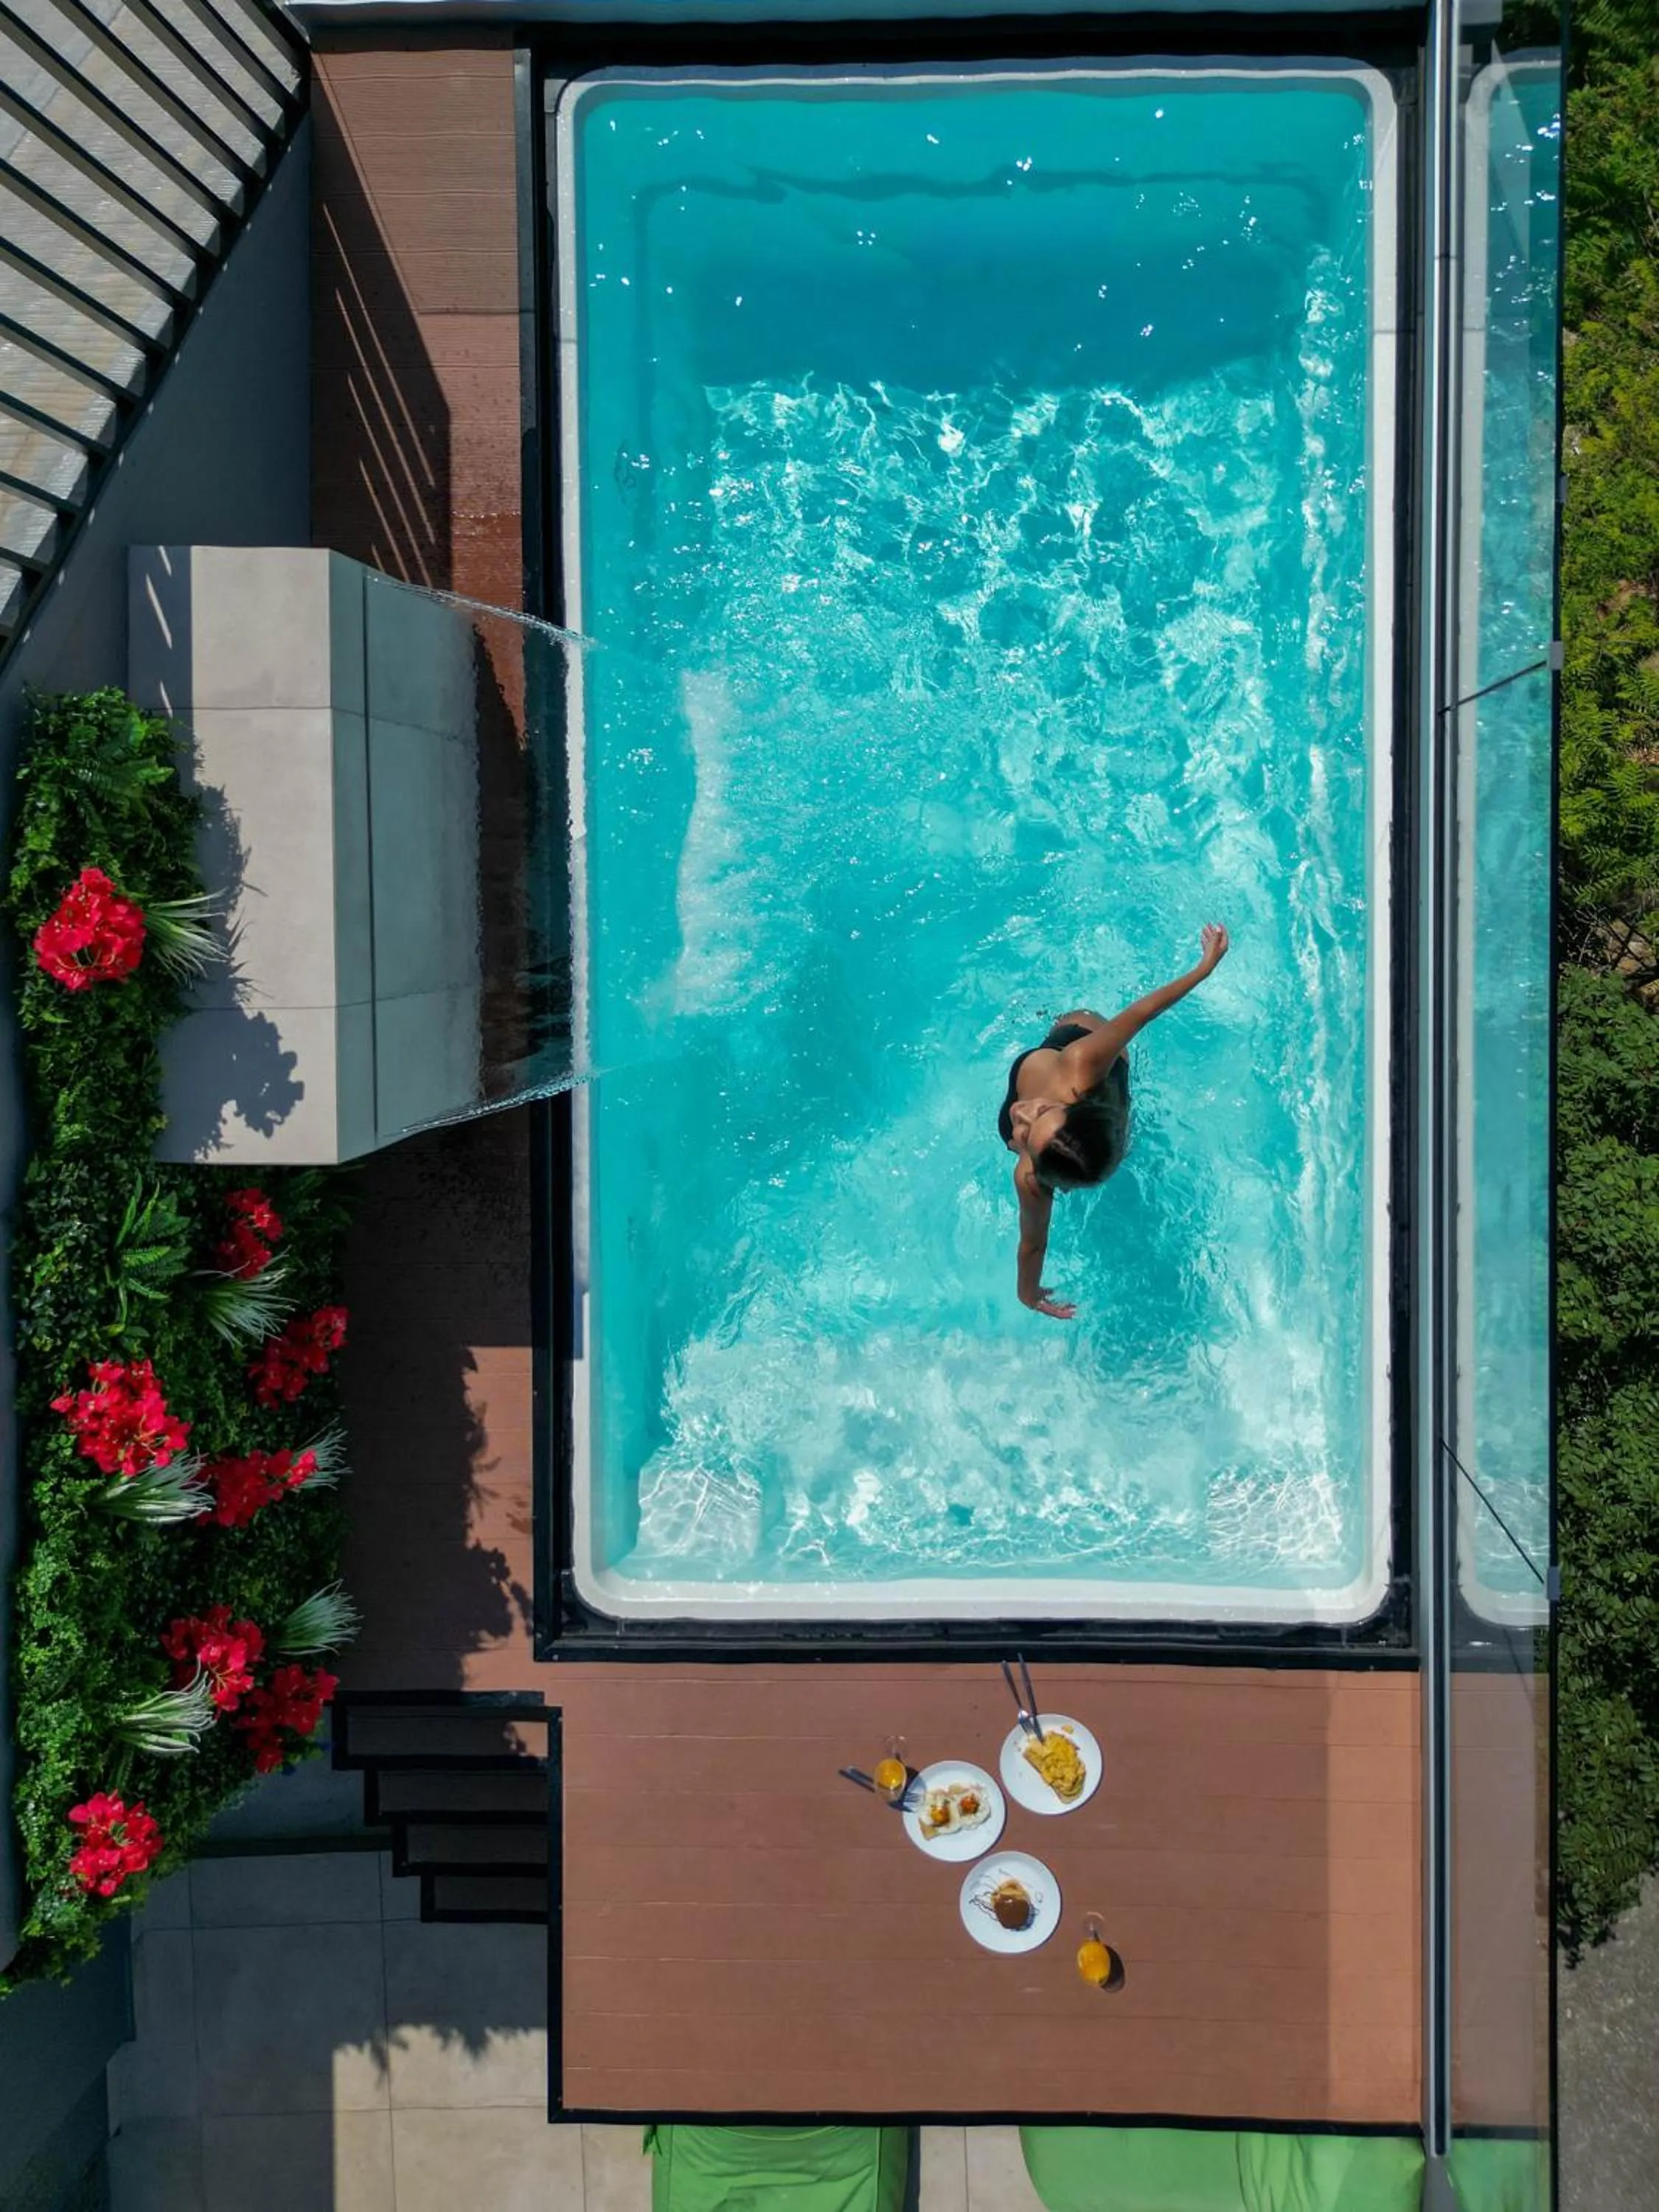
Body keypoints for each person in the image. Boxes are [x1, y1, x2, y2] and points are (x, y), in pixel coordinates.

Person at [999, 925, 1230, 1318]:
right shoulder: (1079, 1062)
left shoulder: (1029, 1177)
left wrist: (1029, 1294)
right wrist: (1203, 969)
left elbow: (1033, 1244)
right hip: (1084, 1042)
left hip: (1092, 1108)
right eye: (1039, 1112)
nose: (1018, 1112)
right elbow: (1141, 1013)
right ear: (1073, 1108)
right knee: (1081, 1020)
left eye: (1026, 1133)